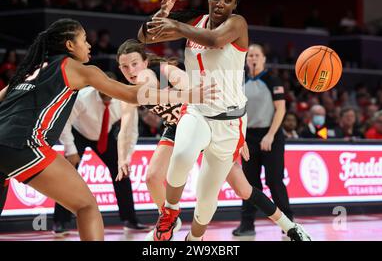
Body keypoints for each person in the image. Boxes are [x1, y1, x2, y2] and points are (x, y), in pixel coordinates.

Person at [0, 18, 213, 240]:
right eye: (83, 40)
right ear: (70, 45)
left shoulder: (30, 68)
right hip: (23, 142)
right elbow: (132, 95)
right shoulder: (77, 69)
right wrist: (189, 95)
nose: (89, 45)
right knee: (87, 207)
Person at [138, 0, 311, 241]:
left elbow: (214, 40)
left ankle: (194, 240)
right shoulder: (194, 22)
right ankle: (169, 212)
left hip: (229, 122)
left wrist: (174, 24)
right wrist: (160, 14)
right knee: (182, 156)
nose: (220, 3)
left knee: (207, 202)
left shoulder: (236, 24)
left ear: (234, 5)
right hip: (196, 111)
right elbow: (144, 37)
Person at [117, 39, 311, 241]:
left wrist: (236, 131)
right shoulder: (129, 92)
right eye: (124, 66)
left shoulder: (165, 72)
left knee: (243, 189)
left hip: (207, 122)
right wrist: (123, 158)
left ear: (146, 62)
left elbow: (200, 95)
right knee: (152, 177)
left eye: (134, 63)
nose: (130, 70)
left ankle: (290, 226)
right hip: (177, 128)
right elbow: (126, 128)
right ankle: (169, 221)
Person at [53, 71, 148, 236]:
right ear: (98, 85)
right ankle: (60, 222)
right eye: (103, 85)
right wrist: (71, 150)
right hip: (78, 134)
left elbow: (131, 131)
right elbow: (64, 122)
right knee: (67, 176)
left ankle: (130, 220)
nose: (106, 90)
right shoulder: (83, 97)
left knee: (122, 172)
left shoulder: (124, 100)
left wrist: (126, 157)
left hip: (104, 135)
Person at [232, 44, 294, 236]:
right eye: (250, 55)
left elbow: (281, 109)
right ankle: (247, 224)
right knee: (249, 183)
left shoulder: (273, 80)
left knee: (274, 180)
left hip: (271, 135)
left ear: (264, 59)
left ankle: (289, 224)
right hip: (248, 137)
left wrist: (270, 135)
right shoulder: (239, 81)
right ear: (246, 59)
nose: (253, 58)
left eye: (257, 55)